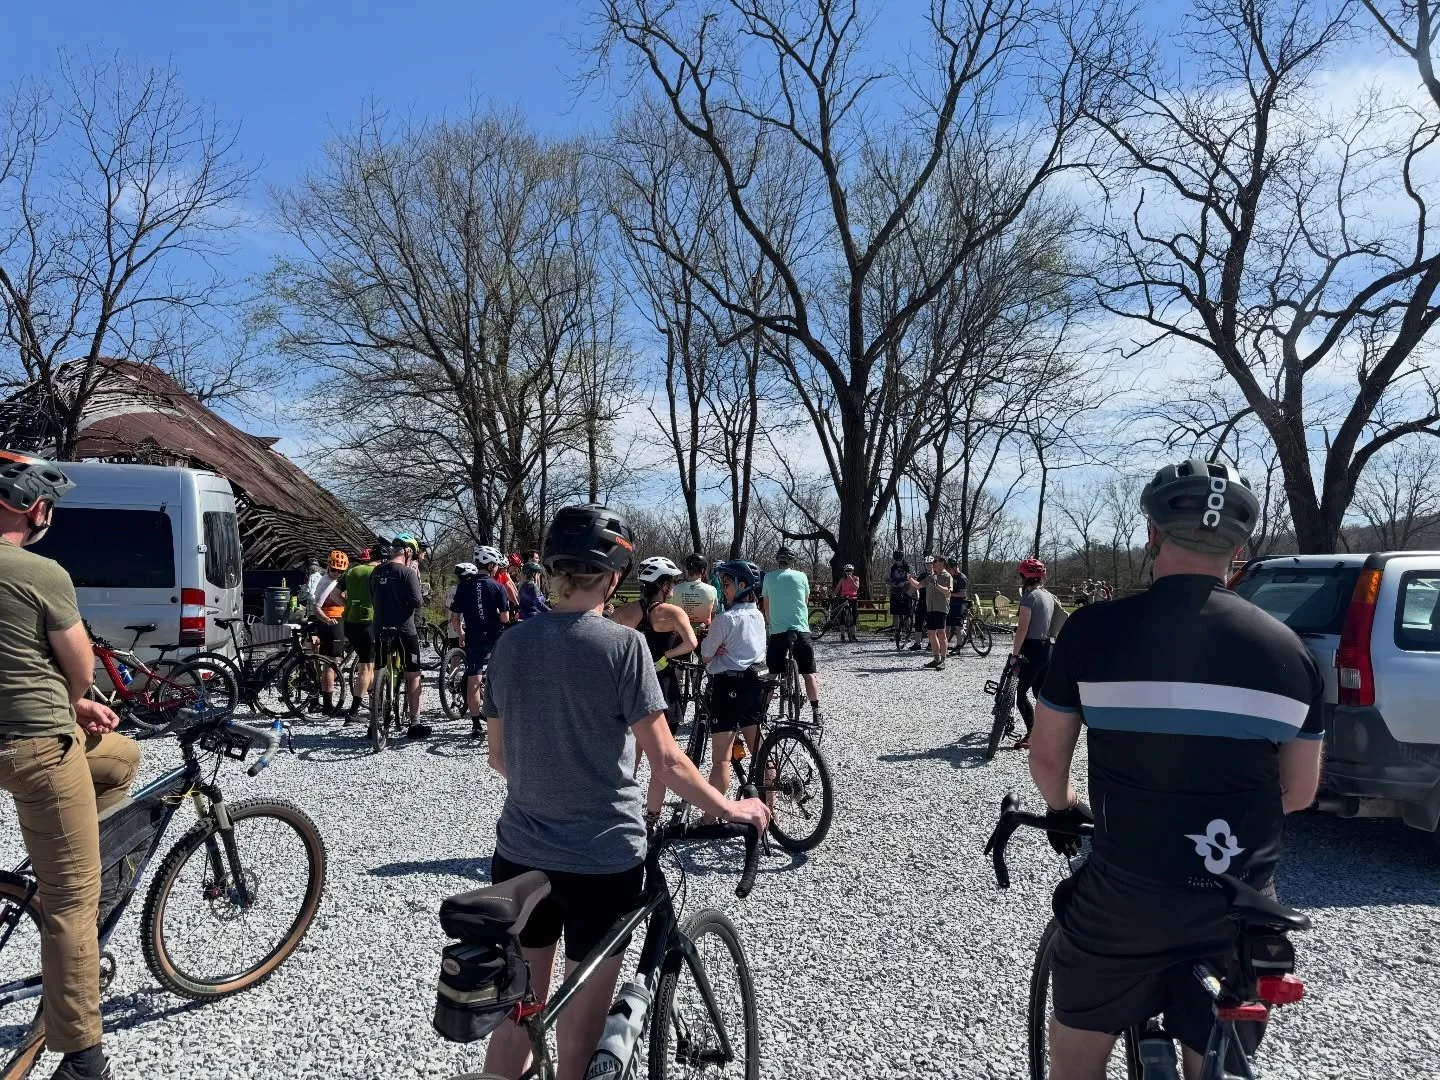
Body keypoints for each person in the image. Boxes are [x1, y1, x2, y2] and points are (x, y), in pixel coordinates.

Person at [1026, 459, 1324, 1080]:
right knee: (1218, 1057)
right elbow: (1297, 792)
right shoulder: (1290, 652)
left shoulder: (1095, 630)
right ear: (1237, 552)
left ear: (1153, 537)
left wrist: (1062, 806)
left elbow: (1048, 757)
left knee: (1075, 1064)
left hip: (1125, 892)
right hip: (1238, 899)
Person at [480, 504, 769, 1080]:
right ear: (614, 575)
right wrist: (729, 805)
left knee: (519, 1020)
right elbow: (663, 760)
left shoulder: (510, 647)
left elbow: (498, 758)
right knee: (578, 1042)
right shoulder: (622, 646)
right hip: (599, 861)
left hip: (518, 855)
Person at [0, 451, 142, 1080]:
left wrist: (70, 702)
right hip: (33, 745)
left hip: (34, 729)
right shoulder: (40, 573)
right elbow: (79, 667)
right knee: (69, 904)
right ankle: (83, 1059)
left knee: (119, 760)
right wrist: (77, 697)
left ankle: (85, 846)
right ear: (34, 508)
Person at [611, 556, 699, 818]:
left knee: (633, 751)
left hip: (632, 686)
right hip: (663, 685)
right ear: (663, 585)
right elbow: (691, 643)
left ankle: (622, 806)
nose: (673, 586)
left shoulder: (626, 612)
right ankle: (652, 815)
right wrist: (666, 657)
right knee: (662, 757)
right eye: (671, 582)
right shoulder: (672, 613)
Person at [701, 560, 770, 801]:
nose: (724, 589)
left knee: (721, 758)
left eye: (727, 584)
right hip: (755, 684)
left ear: (742, 585)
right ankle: (770, 810)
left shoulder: (725, 619)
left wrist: (715, 646)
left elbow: (706, 654)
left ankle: (710, 817)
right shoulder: (758, 616)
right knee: (759, 752)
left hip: (728, 687)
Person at [370, 533, 430, 739]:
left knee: (378, 669)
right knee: (413, 675)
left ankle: (373, 723)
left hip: (379, 629)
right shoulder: (407, 573)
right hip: (404, 630)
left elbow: (373, 598)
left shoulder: (376, 572)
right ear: (408, 552)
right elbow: (417, 601)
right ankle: (415, 723)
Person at [449, 548, 512, 738]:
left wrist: (461, 633)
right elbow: (504, 618)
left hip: (473, 637)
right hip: (493, 637)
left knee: (473, 679)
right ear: (492, 566)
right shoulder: (496, 586)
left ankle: (476, 724)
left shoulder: (464, 586)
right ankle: (499, 717)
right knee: (499, 675)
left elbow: (454, 617)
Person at [760, 546, 823, 724]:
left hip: (778, 631)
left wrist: (770, 623)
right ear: (792, 562)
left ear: (777, 561)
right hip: (800, 630)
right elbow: (804, 601)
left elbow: (766, 604)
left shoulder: (769, 578)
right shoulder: (801, 576)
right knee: (809, 674)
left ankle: (762, 713)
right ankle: (816, 712)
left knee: (772, 674)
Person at [1008, 557, 1056, 749]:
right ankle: (1050, 731)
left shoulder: (1029, 597)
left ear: (1024, 576)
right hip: (1048, 647)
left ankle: (1032, 734)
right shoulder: (1048, 595)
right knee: (1040, 693)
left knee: (1020, 693)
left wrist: (1014, 654)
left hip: (1032, 648)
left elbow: (1022, 629)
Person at [339, 547, 380, 722]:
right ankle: (354, 712)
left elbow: (335, 594)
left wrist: (347, 605)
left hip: (350, 622)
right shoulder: (377, 572)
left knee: (366, 662)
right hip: (368, 622)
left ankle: (373, 704)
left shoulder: (351, 572)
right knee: (367, 667)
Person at [307, 550, 350, 715]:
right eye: (334, 570)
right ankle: (328, 706)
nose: (336, 573)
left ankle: (322, 702)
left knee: (328, 663)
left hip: (333, 621)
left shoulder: (328, 579)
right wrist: (327, 620)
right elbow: (317, 606)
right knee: (331, 664)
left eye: (340, 571)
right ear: (328, 567)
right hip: (332, 622)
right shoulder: (329, 583)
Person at [910, 554, 953, 670]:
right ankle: (936, 659)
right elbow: (918, 585)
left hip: (941, 608)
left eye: (935, 561)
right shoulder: (930, 577)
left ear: (942, 563)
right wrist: (909, 578)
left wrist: (937, 585)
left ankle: (943, 660)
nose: (933, 563)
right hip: (930, 609)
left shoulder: (947, 576)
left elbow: (947, 592)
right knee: (931, 634)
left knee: (941, 633)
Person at [671, 553, 719, 629]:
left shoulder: (674, 589)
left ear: (687, 569)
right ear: (703, 570)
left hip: (680, 634)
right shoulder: (712, 590)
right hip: (704, 635)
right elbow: (713, 614)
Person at [946, 558, 971, 653]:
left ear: (955, 568)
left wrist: (950, 594)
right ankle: (945, 645)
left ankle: (959, 646)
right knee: (947, 625)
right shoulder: (951, 577)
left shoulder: (961, 577)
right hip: (951, 604)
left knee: (958, 626)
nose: (949, 571)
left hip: (960, 603)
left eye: (950, 569)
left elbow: (963, 594)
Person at [910, 555, 933, 651]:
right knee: (918, 622)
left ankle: (931, 643)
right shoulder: (922, 575)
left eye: (929, 564)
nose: (928, 566)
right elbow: (916, 586)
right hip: (922, 600)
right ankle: (917, 643)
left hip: (931, 602)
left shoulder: (936, 575)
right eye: (926, 564)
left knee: (931, 624)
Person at [833, 564, 860, 643]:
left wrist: (851, 580)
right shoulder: (842, 580)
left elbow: (856, 588)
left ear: (853, 571)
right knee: (842, 617)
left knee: (854, 616)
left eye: (850, 571)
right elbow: (837, 588)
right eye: (847, 571)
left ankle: (853, 635)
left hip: (853, 598)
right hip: (844, 598)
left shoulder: (856, 578)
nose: (849, 572)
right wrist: (833, 596)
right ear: (844, 572)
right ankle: (842, 635)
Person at [886, 549, 912, 629]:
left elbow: (912, 579)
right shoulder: (892, 567)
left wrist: (905, 583)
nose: (898, 561)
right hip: (895, 591)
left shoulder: (907, 567)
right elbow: (887, 579)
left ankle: (907, 630)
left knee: (906, 612)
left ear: (902, 558)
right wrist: (892, 583)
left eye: (899, 560)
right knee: (895, 613)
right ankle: (896, 630)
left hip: (905, 591)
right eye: (896, 560)